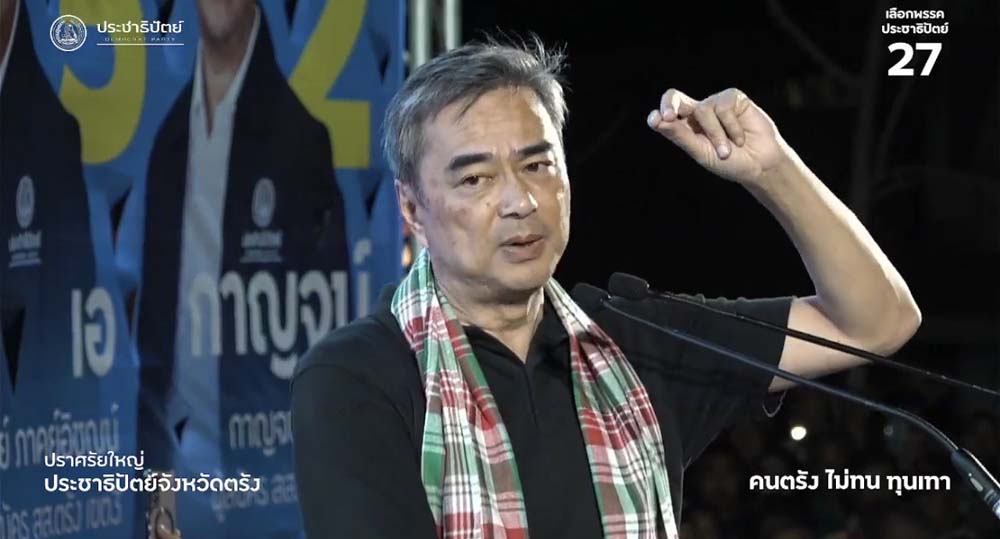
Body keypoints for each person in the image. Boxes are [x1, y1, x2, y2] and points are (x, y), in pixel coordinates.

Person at [291, 38, 921, 538]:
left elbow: (876, 323)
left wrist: (772, 169)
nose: (520, 201)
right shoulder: (360, 375)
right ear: (411, 210)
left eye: (538, 164)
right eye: (475, 179)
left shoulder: (636, 342)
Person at [132, 0, 348, 536]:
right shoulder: (168, 143)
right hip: (186, 493)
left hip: (277, 492)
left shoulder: (303, 139)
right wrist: (158, 495)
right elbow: (153, 355)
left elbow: (333, 348)